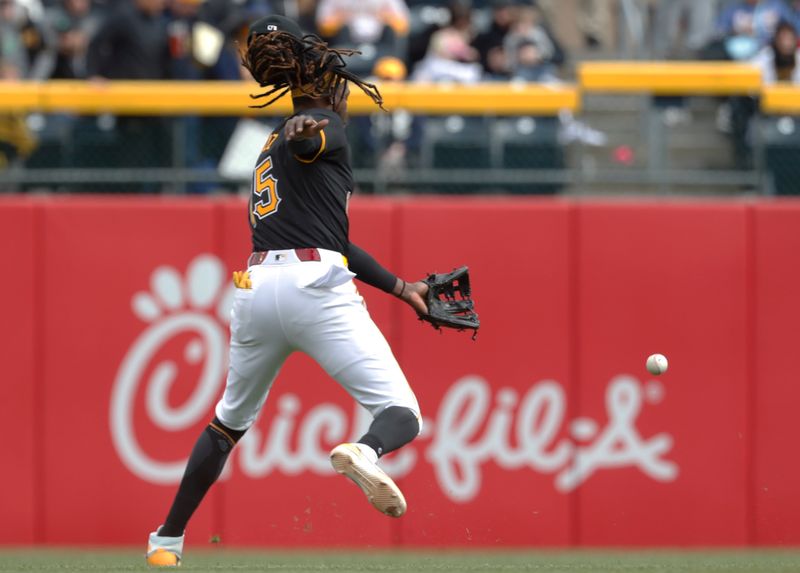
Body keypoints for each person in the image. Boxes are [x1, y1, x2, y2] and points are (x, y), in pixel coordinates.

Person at [145, 14, 430, 567]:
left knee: (227, 423)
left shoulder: (271, 139)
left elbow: (339, 237)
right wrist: (311, 132)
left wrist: (402, 288)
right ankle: (364, 451)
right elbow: (315, 141)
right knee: (403, 413)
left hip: (256, 288)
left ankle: (166, 541)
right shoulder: (322, 125)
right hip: (316, 286)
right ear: (328, 87)